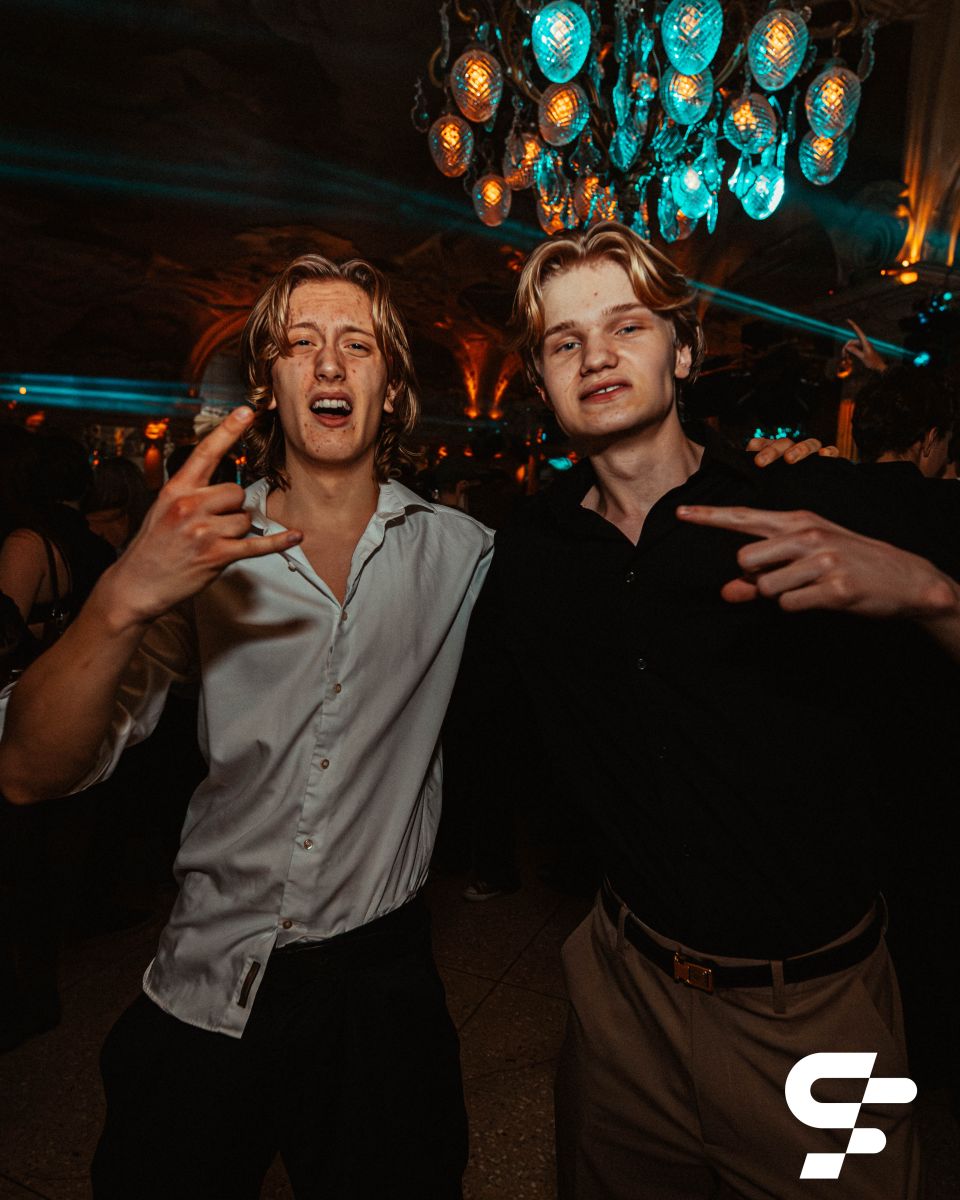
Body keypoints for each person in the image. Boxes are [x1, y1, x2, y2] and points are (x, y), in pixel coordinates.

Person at [450, 222, 960, 1200]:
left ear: (682, 352)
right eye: (564, 341)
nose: (597, 356)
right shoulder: (531, 556)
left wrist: (935, 596)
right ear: (542, 382)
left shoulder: (816, 498)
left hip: (816, 1020)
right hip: (621, 997)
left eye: (627, 326)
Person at [0, 253, 493, 1199]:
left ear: (393, 391)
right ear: (268, 387)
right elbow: (28, 770)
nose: (330, 364)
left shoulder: (463, 554)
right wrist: (121, 595)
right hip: (207, 969)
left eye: (358, 346)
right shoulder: (199, 555)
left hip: (378, 987)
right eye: (301, 345)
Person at [852, 364, 954, 477]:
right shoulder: (934, 488)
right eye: (948, 445)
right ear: (930, 439)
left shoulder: (844, 480)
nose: (946, 459)